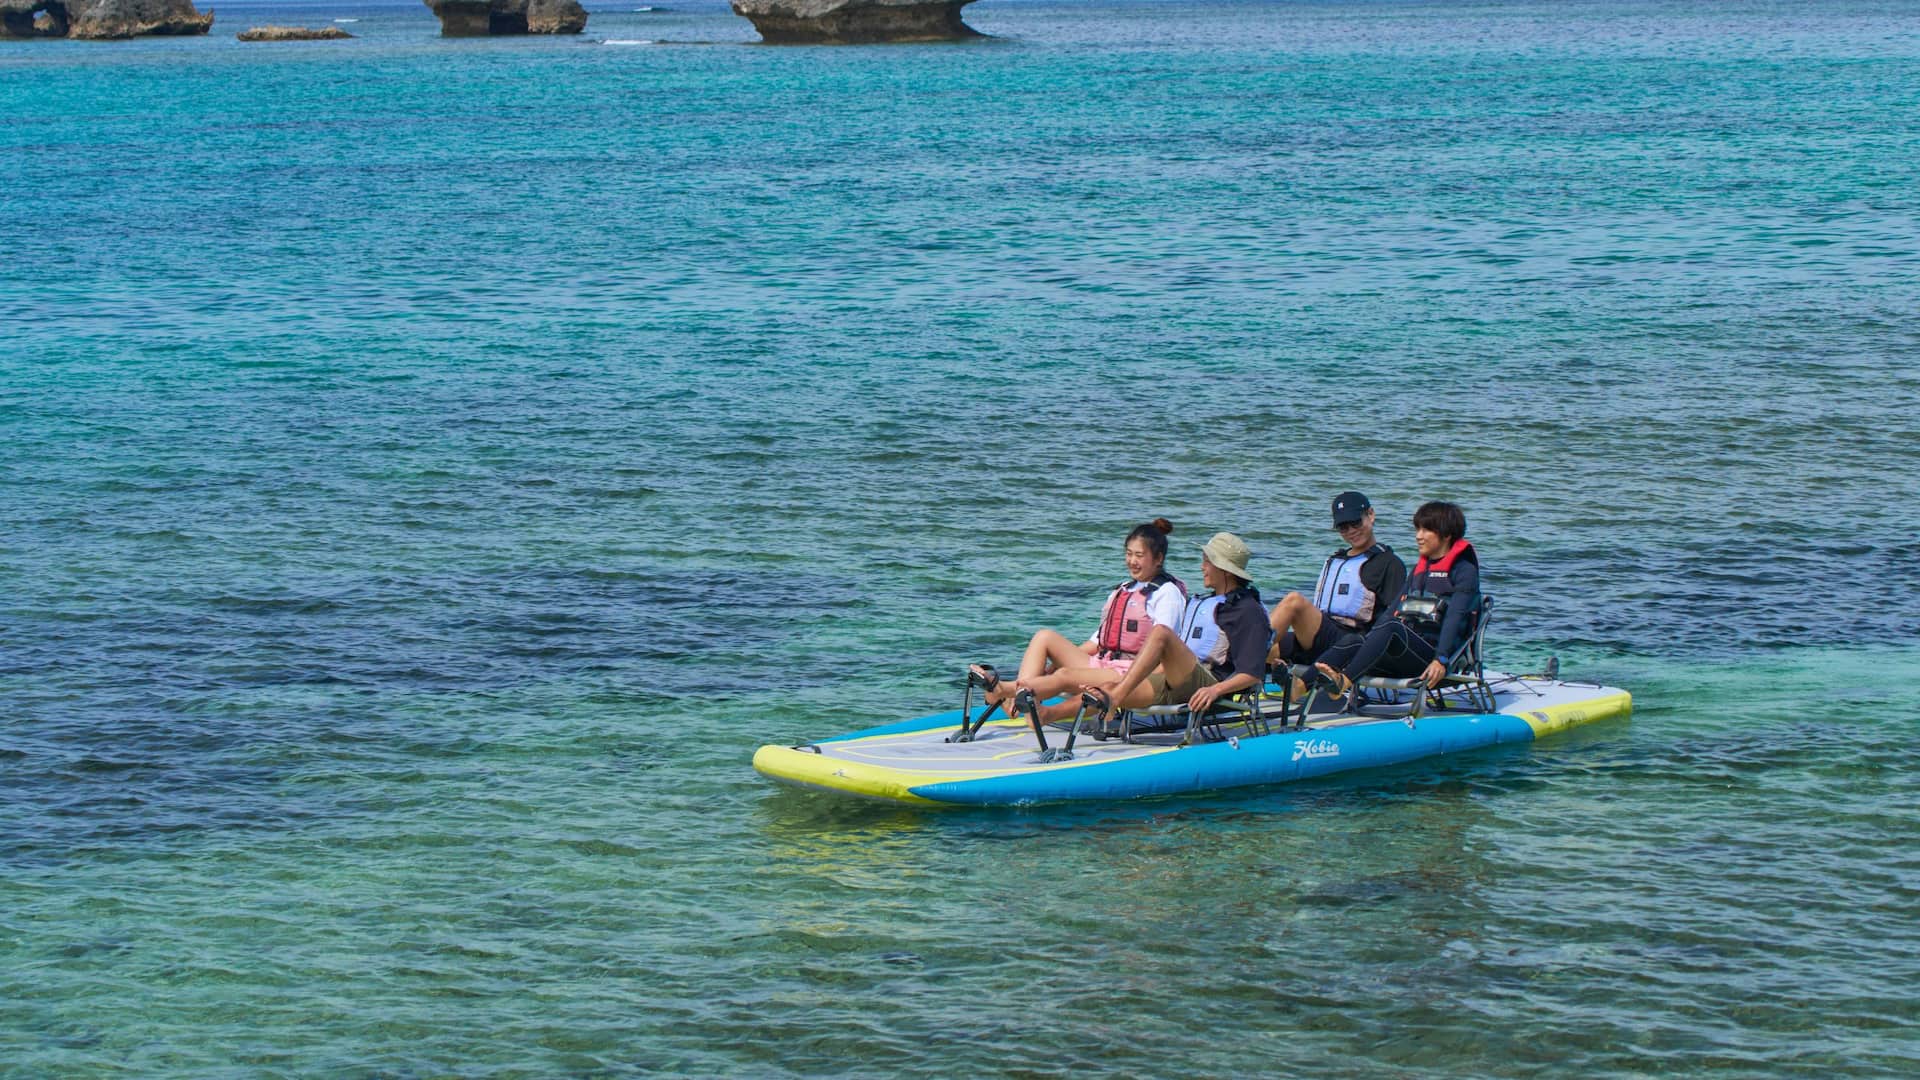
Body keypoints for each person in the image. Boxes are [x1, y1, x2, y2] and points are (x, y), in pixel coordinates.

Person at [973, 518, 1188, 716]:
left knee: (1066, 675)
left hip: (1129, 675)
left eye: (1139, 555)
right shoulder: (1123, 589)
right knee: (1044, 637)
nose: (1131, 561)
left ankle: (1006, 690)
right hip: (1103, 663)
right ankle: (1019, 697)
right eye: (1128, 553)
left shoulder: (1167, 594)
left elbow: (1163, 647)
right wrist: (1052, 664)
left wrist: (1060, 671)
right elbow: (1097, 641)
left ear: (1158, 558)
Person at [1086, 532, 1272, 722]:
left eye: (1207, 562)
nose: (1202, 567)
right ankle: (1056, 719)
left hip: (1208, 682)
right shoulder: (1208, 601)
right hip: (1178, 676)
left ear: (1224, 569)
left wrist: (1215, 690)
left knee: (1161, 633)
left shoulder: (1248, 611)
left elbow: (1252, 674)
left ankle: (1116, 699)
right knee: (1107, 688)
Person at [1317, 500, 1480, 696]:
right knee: (1355, 639)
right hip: (1410, 653)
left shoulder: (1464, 571)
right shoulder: (1421, 571)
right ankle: (1301, 685)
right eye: (1417, 529)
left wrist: (1442, 659)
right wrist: (1367, 644)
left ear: (1446, 535)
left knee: (1392, 627)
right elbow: (1391, 611)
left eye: (1426, 530)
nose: (1418, 537)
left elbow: (1456, 617)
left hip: (1437, 663)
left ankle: (1343, 682)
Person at [1267, 491, 1408, 674]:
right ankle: (1234, 684)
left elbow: (1393, 619)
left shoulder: (1389, 563)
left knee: (1294, 602)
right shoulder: (1337, 559)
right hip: (1322, 634)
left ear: (1371, 515)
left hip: (1352, 642)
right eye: (1343, 527)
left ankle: (1250, 660)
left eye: (1356, 522)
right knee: (1262, 640)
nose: (1351, 531)